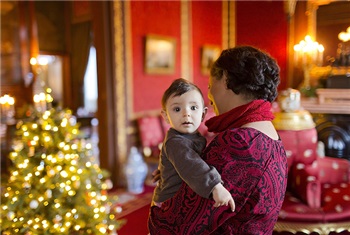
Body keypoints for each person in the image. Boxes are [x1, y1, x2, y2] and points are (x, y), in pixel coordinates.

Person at [148, 46, 288, 235]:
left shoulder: (240, 142)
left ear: (225, 78)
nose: (209, 91)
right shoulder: (268, 133)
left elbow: (177, 226)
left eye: (210, 83)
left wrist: (156, 207)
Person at [151, 78, 235, 211]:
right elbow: (192, 165)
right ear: (166, 116)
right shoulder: (175, 142)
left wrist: (164, 170)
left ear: (203, 114)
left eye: (193, 108)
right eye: (177, 109)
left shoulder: (191, 136)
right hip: (170, 204)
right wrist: (215, 186)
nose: (186, 114)